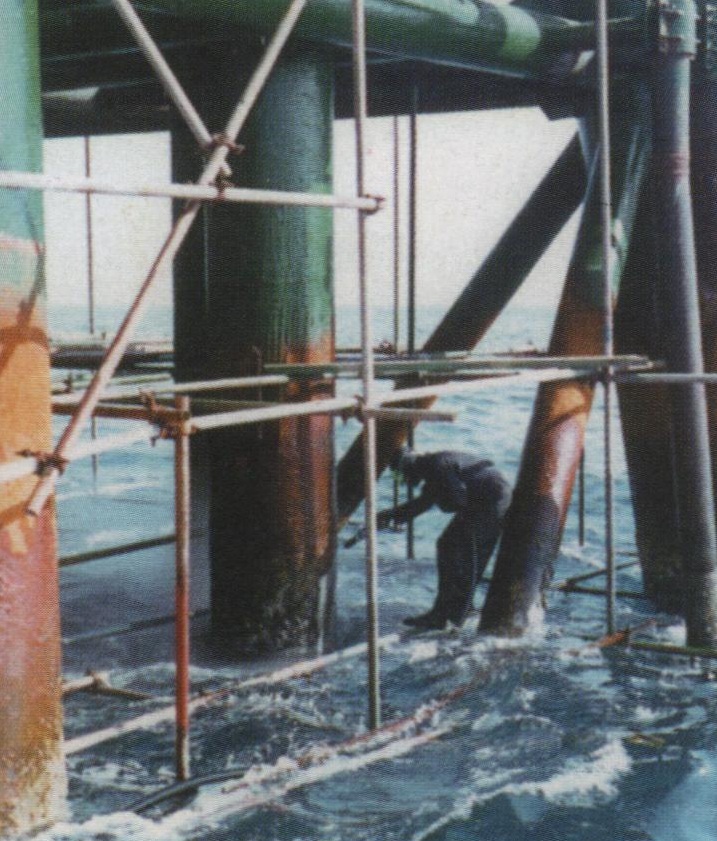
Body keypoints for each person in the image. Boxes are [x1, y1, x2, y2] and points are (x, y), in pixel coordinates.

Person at [379, 447, 512, 630]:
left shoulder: (436, 466)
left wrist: (437, 497)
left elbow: (455, 502)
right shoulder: (434, 466)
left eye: (400, 474)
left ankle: (449, 615)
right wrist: (390, 515)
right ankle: (455, 609)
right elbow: (422, 504)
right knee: (452, 547)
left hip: (490, 501)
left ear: (408, 466)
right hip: (491, 498)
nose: (404, 480)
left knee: (457, 550)